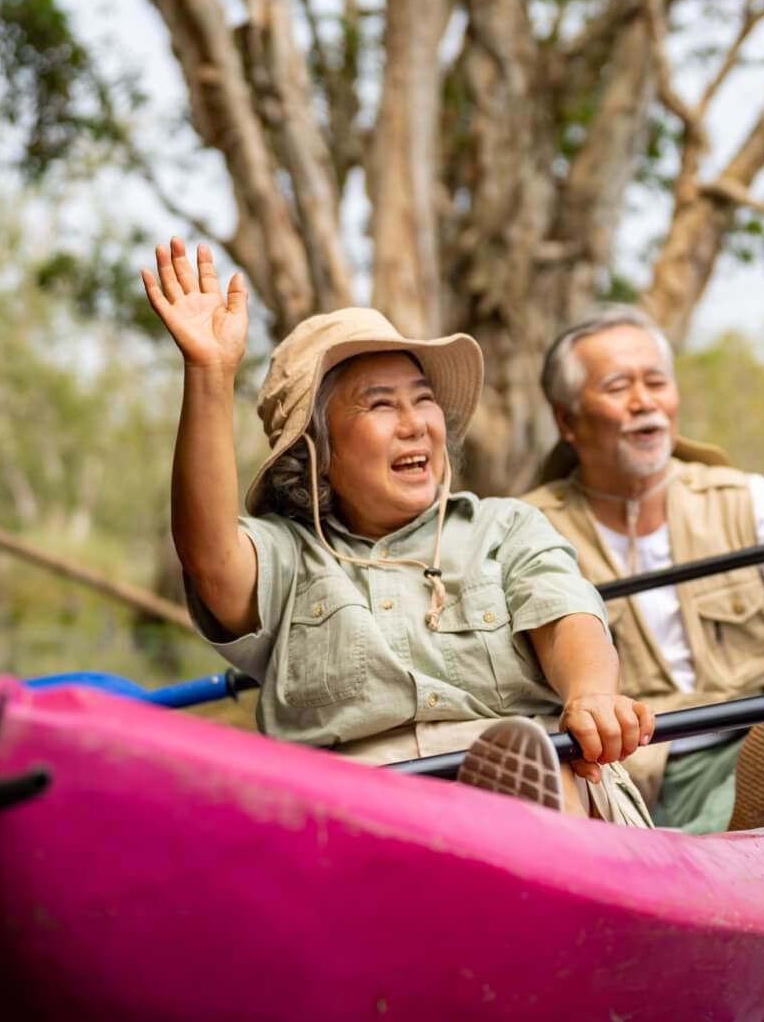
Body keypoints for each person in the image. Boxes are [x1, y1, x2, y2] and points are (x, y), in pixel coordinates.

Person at [141, 238, 654, 824]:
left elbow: (569, 622)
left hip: (529, 777)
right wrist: (209, 372)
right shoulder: (288, 556)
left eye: (424, 400)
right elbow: (209, 559)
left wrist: (590, 693)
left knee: (545, 768)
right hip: (358, 815)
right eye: (380, 405)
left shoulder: (503, 527)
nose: (415, 425)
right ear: (317, 451)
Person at [523, 304, 764, 833]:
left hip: (746, 750)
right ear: (566, 419)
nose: (645, 403)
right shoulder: (526, 528)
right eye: (618, 387)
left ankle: (700, 840)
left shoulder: (741, 498)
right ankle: (701, 843)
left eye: (656, 382)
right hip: (614, 770)